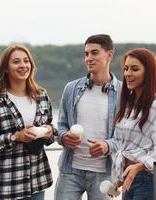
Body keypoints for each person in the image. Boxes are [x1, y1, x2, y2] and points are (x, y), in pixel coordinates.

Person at [0, 44, 57, 200]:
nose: (23, 65)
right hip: (4, 186)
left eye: (26, 61)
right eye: (16, 62)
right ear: (6, 68)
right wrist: (16, 137)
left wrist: (49, 132)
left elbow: (51, 129)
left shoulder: (42, 96)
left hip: (36, 182)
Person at [54, 34, 122, 200]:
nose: (89, 58)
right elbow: (61, 125)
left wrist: (107, 145)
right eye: (86, 54)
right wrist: (63, 137)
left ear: (109, 55)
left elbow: (127, 137)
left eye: (94, 53)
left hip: (104, 174)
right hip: (70, 171)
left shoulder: (124, 93)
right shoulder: (71, 88)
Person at [112, 48, 156, 200]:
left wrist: (138, 166)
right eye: (126, 69)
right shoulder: (128, 105)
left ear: (148, 72)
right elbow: (124, 147)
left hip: (147, 181)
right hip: (128, 181)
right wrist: (118, 175)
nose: (128, 74)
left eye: (134, 69)